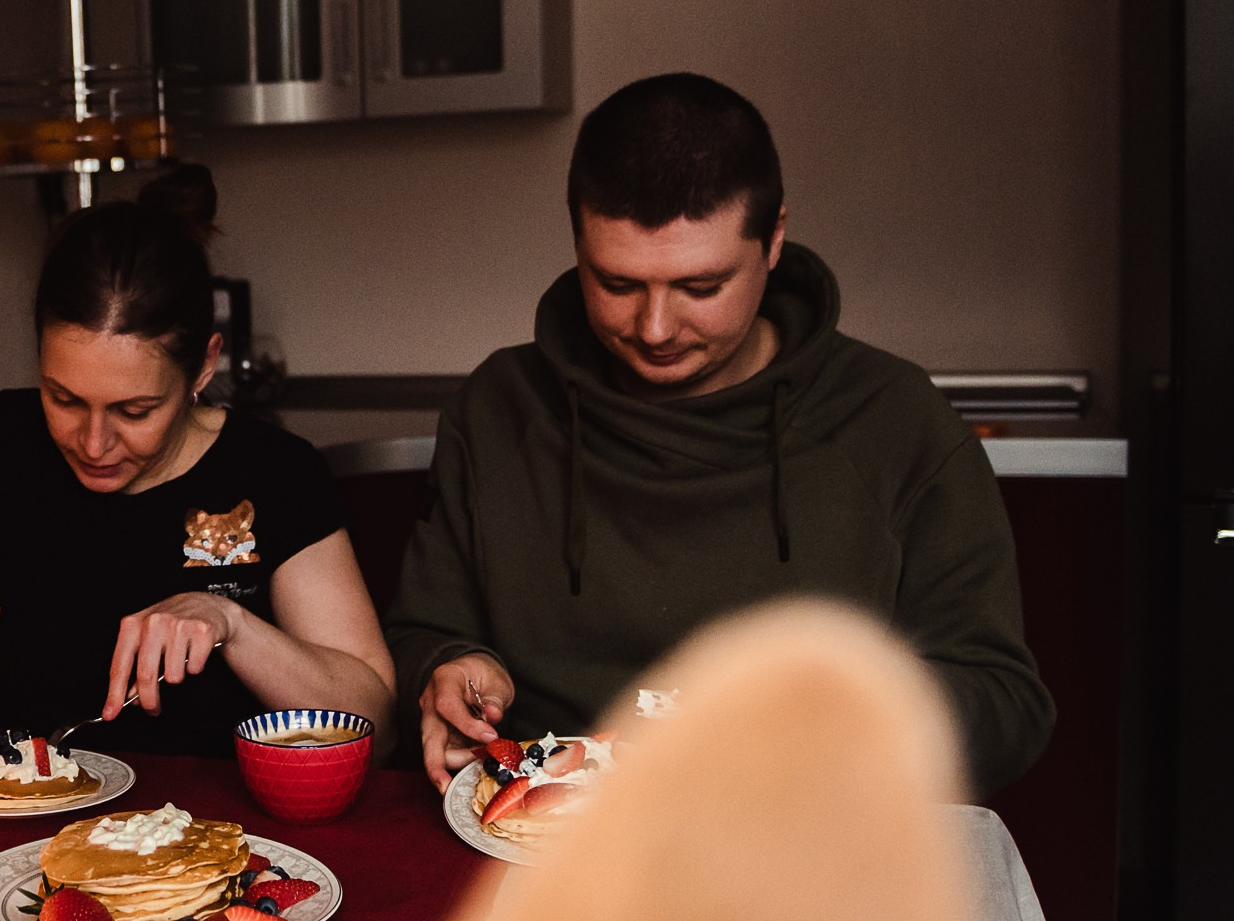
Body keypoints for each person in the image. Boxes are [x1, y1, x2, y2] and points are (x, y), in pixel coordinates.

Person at [387, 73, 1054, 798]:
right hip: (544, 845)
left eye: (701, 288)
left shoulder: (896, 421)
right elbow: (424, 630)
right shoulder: (498, 409)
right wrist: (447, 668)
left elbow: (1005, 709)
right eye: (615, 283)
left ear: (773, 241)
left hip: (800, 853)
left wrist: (840, 713)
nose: (654, 328)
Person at [0, 167, 394, 757]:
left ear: (205, 366)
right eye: (63, 398)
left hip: (226, 836)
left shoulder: (273, 472)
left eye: (135, 411)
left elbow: (375, 713)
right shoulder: (3, 441)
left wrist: (232, 625)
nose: (92, 444)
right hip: (33, 822)